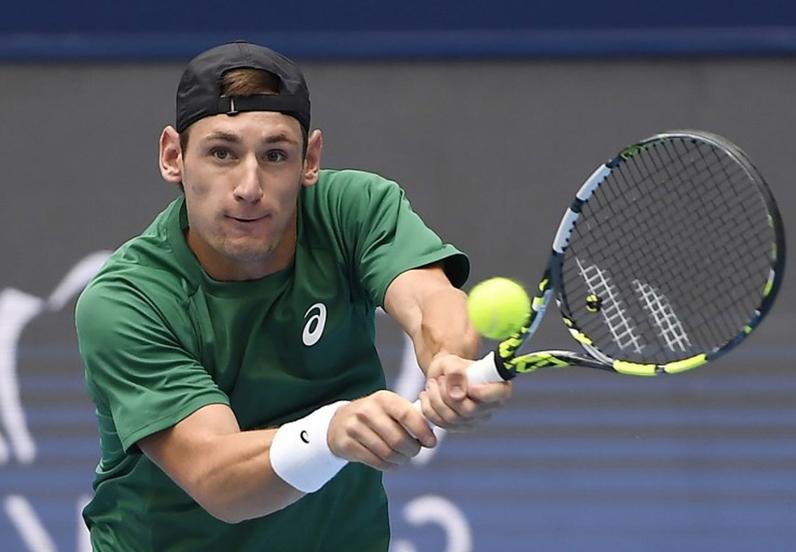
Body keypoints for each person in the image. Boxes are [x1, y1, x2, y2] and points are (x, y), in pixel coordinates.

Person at [74, 40, 512, 551]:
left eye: (275, 154)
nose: (249, 186)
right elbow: (217, 476)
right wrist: (331, 431)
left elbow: (428, 299)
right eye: (222, 153)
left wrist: (449, 364)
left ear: (310, 161)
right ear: (174, 157)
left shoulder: (353, 210)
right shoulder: (128, 301)